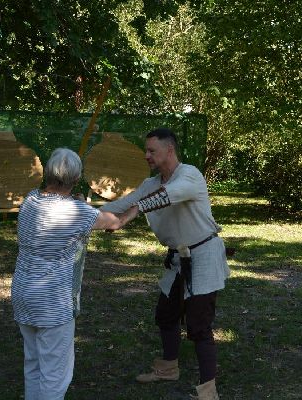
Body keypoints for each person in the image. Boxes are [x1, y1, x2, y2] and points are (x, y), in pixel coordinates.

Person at [100, 127, 229, 400]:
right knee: (166, 315)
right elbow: (122, 204)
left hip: (203, 255)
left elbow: (167, 195)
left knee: (199, 325)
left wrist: (134, 212)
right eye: (146, 150)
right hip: (178, 258)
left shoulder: (190, 175)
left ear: (169, 150)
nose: (146, 155)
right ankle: (168, 369)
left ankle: (208, 391)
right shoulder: (150, 184)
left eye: (151, 150)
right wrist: (82, 215)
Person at [11, 148, 139, 400]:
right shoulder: (79, 213)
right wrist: (137, 207)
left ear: (48, 173)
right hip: (53, 303)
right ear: (77, 178)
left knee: (34, 364)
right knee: (55, 375)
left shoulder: (30, 200)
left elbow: (61, 209)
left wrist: (78, 203)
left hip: (23, 294)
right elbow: (116, 222)